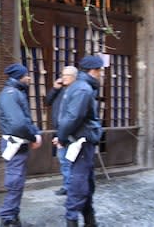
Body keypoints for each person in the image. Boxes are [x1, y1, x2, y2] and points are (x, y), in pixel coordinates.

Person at [57, 55, 104, 227]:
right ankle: (73, 220)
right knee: (80, 184)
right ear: (94, 71)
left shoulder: (79, 87)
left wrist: (62, 136)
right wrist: (62, 138)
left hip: (82, 141)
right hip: (81, 143)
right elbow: (72, 117)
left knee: (86, 183)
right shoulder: (83, 89)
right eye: (100, 71)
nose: (101, 75)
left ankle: (90, 221)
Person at [0, 63, 43, 227]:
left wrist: (35, 132)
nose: (29, 77)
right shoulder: (11, 94)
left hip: (19, 143)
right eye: (26, 75)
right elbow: (18, 124)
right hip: (15, 143)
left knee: (18, 181)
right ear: (18, 77)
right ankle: (7, 218)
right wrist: (33, 137)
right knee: (15, 182)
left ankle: (13, 217)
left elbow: (25, 119)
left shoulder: (15, 93)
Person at [44, 66, 78, 196]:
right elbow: (47, 101)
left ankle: (74, 187)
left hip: (73, 131)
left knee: (72, 160)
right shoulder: (60, 89)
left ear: (74, 77)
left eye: (66, 75)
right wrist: (54, 89)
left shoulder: (77, 91)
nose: (63, 77)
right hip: (59, 130)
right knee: (63, 159)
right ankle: (67, 186)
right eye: (62, 74)